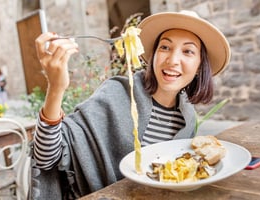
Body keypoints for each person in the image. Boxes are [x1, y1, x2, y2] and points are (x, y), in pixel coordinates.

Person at [31, 10, 231, 199]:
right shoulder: (115, 94)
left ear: (199, 67)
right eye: (165, 47)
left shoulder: (187, 117)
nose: (173, 60)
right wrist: (56, 87)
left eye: (188, 51)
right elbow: (46, 157)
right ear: (152, 55)